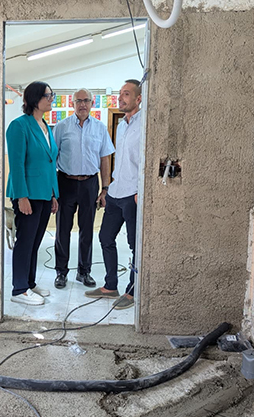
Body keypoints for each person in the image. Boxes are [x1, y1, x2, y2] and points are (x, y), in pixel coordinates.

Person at [85, 79, 142, 310]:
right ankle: (111, 286)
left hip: (134, 194)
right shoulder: (121, 125)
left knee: (135, 245)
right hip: (117, 192)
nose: (121, 97)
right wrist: (108, 188)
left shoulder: (145, 123)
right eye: (120, 93)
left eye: (126, 94)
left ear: (138, 98)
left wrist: (141, 191)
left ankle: (132, 291)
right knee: (105, 237)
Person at [52, 88, 114, 289]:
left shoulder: (100, 128)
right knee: (63, 230)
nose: (82, 104)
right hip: (65, 182)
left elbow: (105, 159)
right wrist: (52, 189)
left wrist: (105, 189)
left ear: (92, 103)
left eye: (86, 100)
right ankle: (61, 272)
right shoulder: (61, 127)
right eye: (78, 101)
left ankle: (84, 271)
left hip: (89, 184)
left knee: (87, 230)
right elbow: (52, 158)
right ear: (72, 104)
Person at [6, 81, 59, 306]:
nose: (51, 99)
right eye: (48, 95)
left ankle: (29, 282)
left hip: (45, 193)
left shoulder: (45, 126)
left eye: (51, 95)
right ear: (35, 99)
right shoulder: (19, 126)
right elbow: (16, 165)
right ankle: (19, 290)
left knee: (36, 241)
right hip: (28, 194)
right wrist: (22, 197)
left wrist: (54, 194)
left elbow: (49, 162)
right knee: (25, 241)